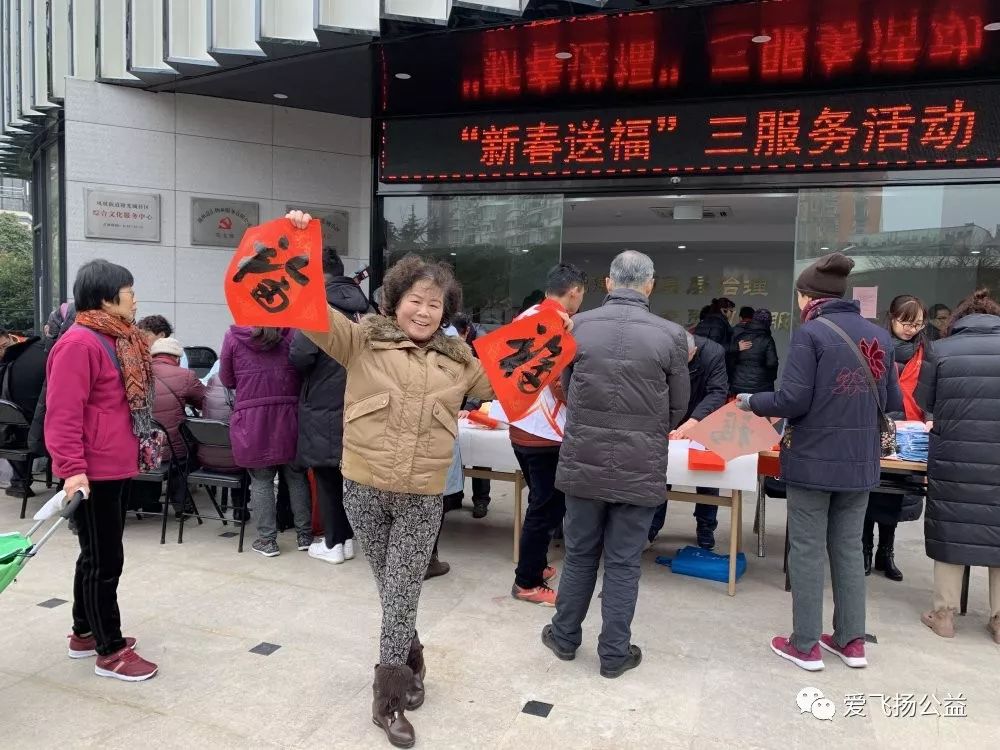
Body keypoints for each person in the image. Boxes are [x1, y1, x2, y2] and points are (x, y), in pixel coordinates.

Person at [290, 211, 503, 748]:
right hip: (362, 486)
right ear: (394, 300)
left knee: (402, 586)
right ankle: (413, 657)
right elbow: (307, 310)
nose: (424, 311)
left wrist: (555, 338)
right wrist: (296, 245)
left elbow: (510, 378)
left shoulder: (461, 362)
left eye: (435, 304)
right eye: (416, 300)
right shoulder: (361, 339)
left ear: (446, 313)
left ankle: (386, 700)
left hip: (422, 496)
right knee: (392, 588)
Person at [736, 252, 901, 672]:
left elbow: (792, 400)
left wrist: (753, 401)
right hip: (860, 462)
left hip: (813, 461)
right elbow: (892, 402)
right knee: (848, 548)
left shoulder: (810, 334)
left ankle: (805, 644)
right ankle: (851, 641)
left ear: (807, 297)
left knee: (807, 549)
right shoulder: (879, 336)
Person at [542, 250, 689, 679]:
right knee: (624, 563)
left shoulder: (579, 326)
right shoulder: (672, 335)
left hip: (583, 460)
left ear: (608, 283)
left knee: (579, 554)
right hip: (640, 463)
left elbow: (567, 387)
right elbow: (678, 406)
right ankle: (614, 653)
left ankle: (564, 637)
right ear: (650, 285)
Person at [45, 259, 158, 681]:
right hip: (93, 471)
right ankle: (109, 651)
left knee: (95, 554)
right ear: (107, 299)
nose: (135, 300)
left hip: (115, 464)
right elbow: (62, 414)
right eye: (129, 293)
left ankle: (84, 632)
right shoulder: (80, 343)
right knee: (104, 561)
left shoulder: (117, 338)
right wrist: (72, 470)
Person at [493, 263, 587, 607]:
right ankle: (527, 581)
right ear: (574, 292)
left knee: (540, 502)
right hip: (547, 432)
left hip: (520, 426)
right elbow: (561, 385)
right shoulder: (557, 323)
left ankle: (536, 564)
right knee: (545, 509)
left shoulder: (526, 315)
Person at [916, 289, 1000, 643]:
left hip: (954, 456)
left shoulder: (940, 349)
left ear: (959, 320)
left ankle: (944, 616)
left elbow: (924, 400)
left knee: (951, 529)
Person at [290, 248, 370, 565]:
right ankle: (346, 540)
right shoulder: (366, 307)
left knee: (326, 476)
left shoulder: (318, 307)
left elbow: (301, 355)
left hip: (323, 402)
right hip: (360, 402)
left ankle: (334, 542)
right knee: (347, 476)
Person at [219, 326, 312, 558]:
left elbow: (226, 378)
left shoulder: (233, 336)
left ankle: (267, 541)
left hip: (252, 418)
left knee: (261, 480)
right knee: (296, 476)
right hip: (290, 415)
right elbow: (304, 369)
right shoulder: (292, 332)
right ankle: (305, 536)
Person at [863, 295, 928, 582]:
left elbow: (931, 390)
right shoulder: (875, 346)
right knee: (869, 491)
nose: (911, 329)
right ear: (891, 318)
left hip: (910, 434)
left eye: (917, 324)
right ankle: (864, 549)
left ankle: (885, 553)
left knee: (896, 495)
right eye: (905, 322)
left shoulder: (926, 351)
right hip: (875, 428)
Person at [648, 331, 729, 550]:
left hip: (702, 415)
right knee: (660, 471)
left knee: (707, 474)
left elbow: (718, 392)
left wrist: (694, 421)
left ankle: (706, 525)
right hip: (669, 414)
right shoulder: (662, 348)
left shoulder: (713, 353)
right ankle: (651, 526)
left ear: (694, 351)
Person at [149, 336, 205, 512]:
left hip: (142, 448)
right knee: (186, 449)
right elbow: (204, 402)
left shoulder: (138, 373)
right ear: (177, 358)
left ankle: (148, 503)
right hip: (172, 450)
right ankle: (182, 506)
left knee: (154, 442)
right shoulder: (186, 376)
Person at [446, 314, 491, 518]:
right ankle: (455, 495)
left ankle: (481, 499)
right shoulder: (448, 338)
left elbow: (482, 377)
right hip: (455, 395)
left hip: (479, 399)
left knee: (480, 451)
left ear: (466, 332)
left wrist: (471, 406)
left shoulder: (482, 341)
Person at [1, 329, 47, 500]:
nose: (2, 352)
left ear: (10, 338)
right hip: (27, 431)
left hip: (16, 432)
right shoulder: (36, 350)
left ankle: (19, 482)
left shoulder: (24, 354)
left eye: (3, 346)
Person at [729, 308, 779, 395]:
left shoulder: (740, 336)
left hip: (738, 384)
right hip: (760, 386)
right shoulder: (767, 339)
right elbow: (772, 363)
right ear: (768, 323)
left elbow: (731, 359)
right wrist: (770, 379)